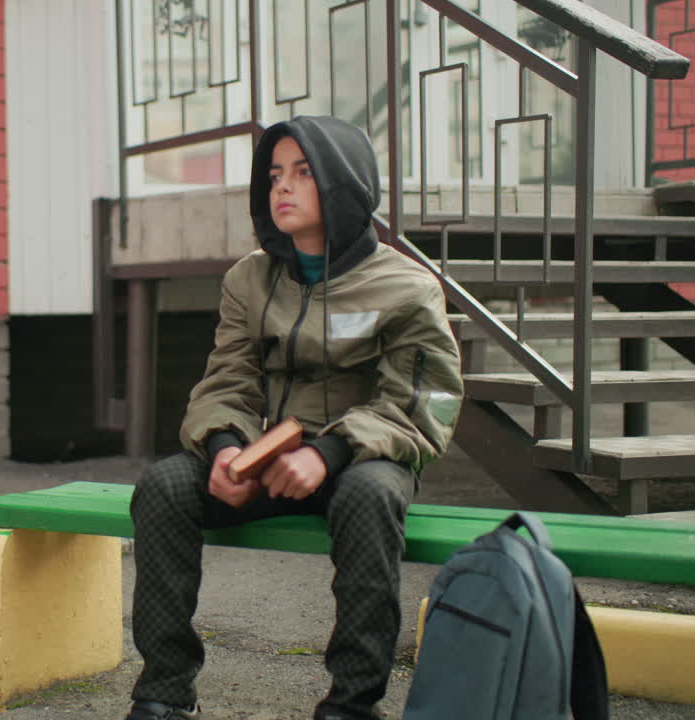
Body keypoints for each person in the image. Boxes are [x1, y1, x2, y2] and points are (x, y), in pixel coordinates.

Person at [124, 116, 465, 720]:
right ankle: (163, 694)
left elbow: (421, 403)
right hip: (265, 459)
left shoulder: (407, 287)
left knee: (370, 496)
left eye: (304, 174)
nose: (283, 187)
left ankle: (352, 703)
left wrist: (327, 453)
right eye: (275, 174)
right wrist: (228, 447)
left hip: (361, 460)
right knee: (164, 486)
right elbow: (226, 379)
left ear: (343, 184)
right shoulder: (249, 279)